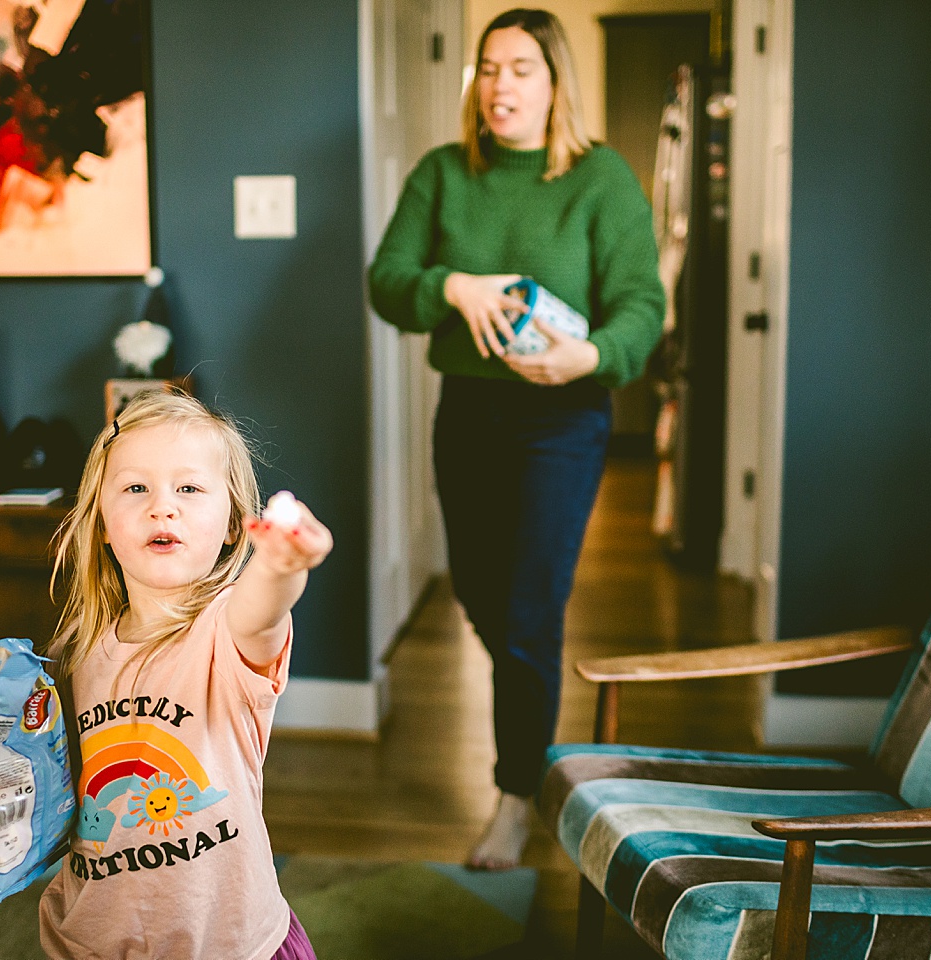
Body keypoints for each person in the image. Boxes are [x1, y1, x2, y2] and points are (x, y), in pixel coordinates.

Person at [367, 8, 666, 870]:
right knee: (478, 592)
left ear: (554, 81)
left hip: (562, 421)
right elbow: (388, 282)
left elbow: (642, 306)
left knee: (530, 610)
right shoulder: (442, 174)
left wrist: (590, 357)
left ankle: (514, 795)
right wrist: (452, 286)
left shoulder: (600, 179)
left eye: (521, 69)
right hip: (468, 408)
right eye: (489, 68)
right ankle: (533, 715)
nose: (501, 85)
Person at [0, 387, 332, 960]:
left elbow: (264, 608)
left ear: (232, 523)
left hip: (227, 943)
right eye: (135, 488)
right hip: (93, 936)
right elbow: (51, 770)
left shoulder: (227, 634)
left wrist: (282, 564)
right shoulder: (79, 648)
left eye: (189, 488)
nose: (162, 507)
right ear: (102, 523)